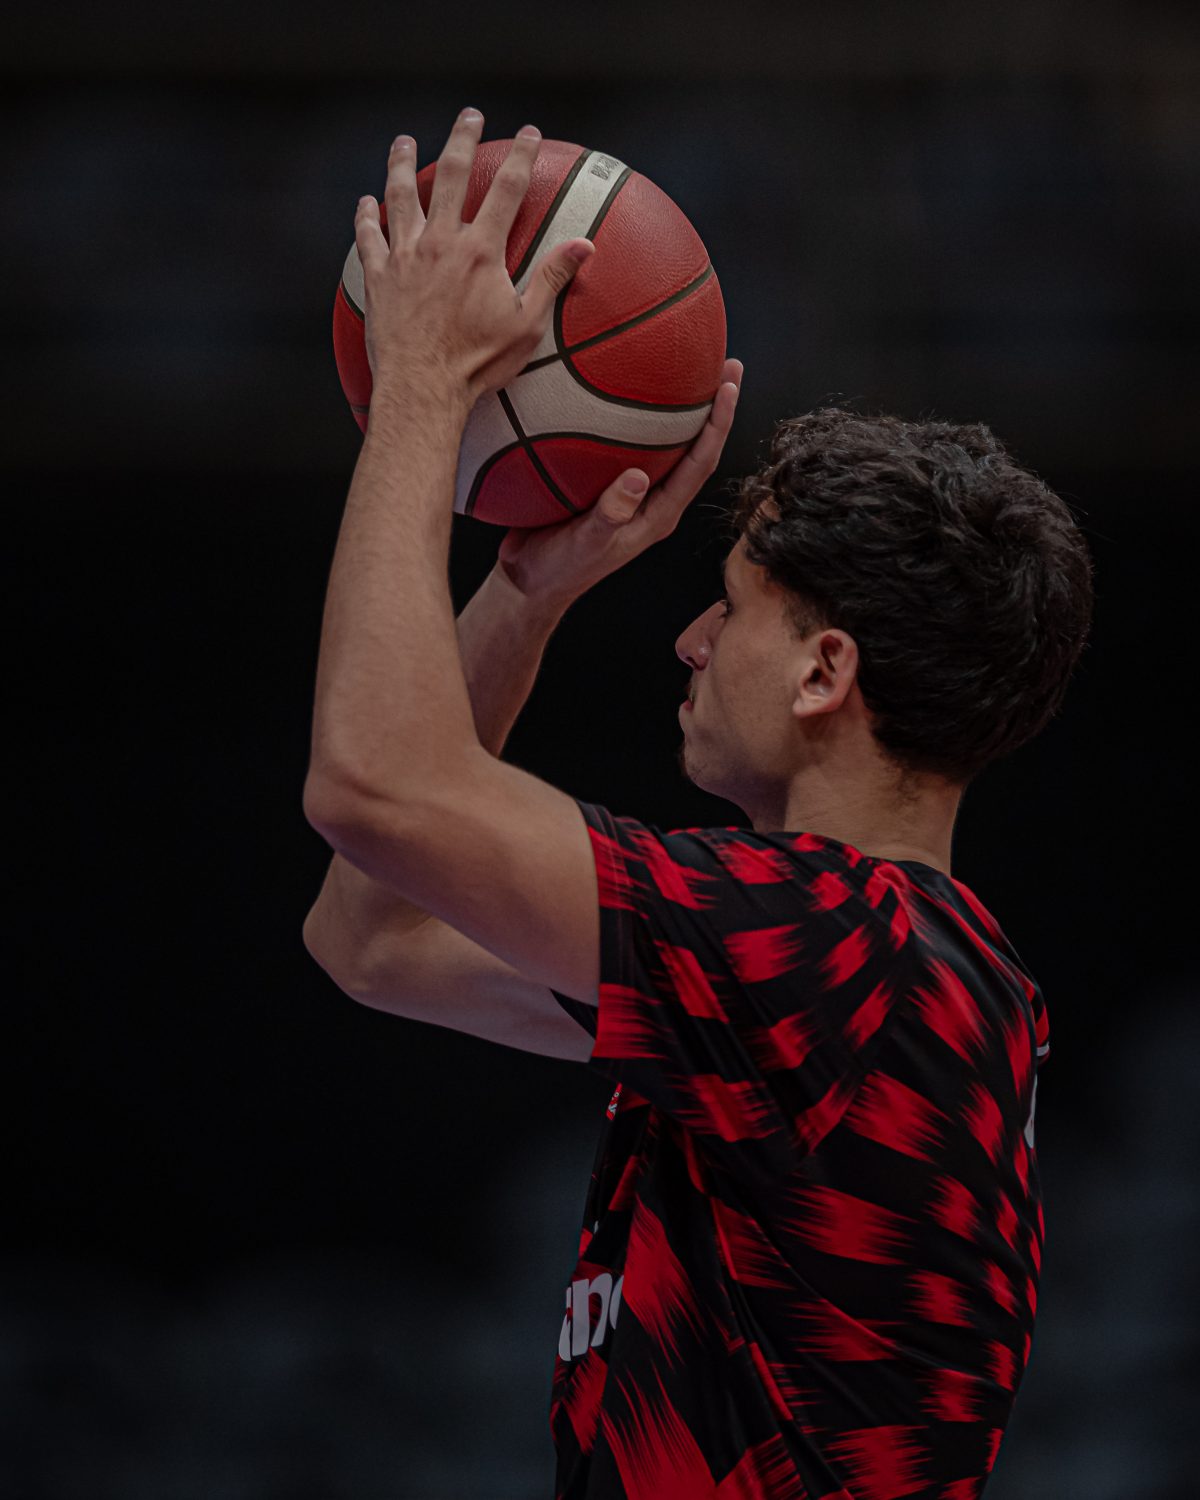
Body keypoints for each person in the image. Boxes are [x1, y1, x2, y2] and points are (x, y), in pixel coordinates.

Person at [302, 110, 1093, 1500]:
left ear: (824, 672)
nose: (688, 643)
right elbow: (374, 938)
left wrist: (425, 389)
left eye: (729, 611)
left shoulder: (842, 955)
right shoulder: (844, 986)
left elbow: (375, 786)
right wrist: (526, 593)